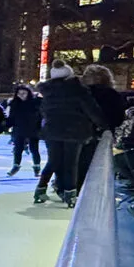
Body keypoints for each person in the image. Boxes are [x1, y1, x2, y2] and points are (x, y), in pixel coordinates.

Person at [35, 60, 107, 207]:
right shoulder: (78, 89)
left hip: (53, 131)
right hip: (75, 130)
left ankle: (40, 189)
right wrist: (102, 125)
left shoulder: (48, 92)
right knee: (71, 163)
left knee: (53, 161)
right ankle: (70, 194)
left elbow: (43, 111)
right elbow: (91, 109)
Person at [79, 64, 125, 189]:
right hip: (105, 133)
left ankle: (77, 187)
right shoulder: (112, 94)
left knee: (80, 161)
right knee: (100, 162)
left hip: (81, 132)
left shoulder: (82, 94)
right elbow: (119, 116)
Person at [6, 85, 43, 177]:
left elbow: (41, 116)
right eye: (19, 93)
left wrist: (40, 128)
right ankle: (16, 166)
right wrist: (6, 125)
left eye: (24, 93)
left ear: (28, 93)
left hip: (33, 129)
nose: (21, 95)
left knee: (34, 149)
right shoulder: (15, 103)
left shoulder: (35, 103)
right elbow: (11, 117)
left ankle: (37, 167)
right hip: (19, 129)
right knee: (18, 149)